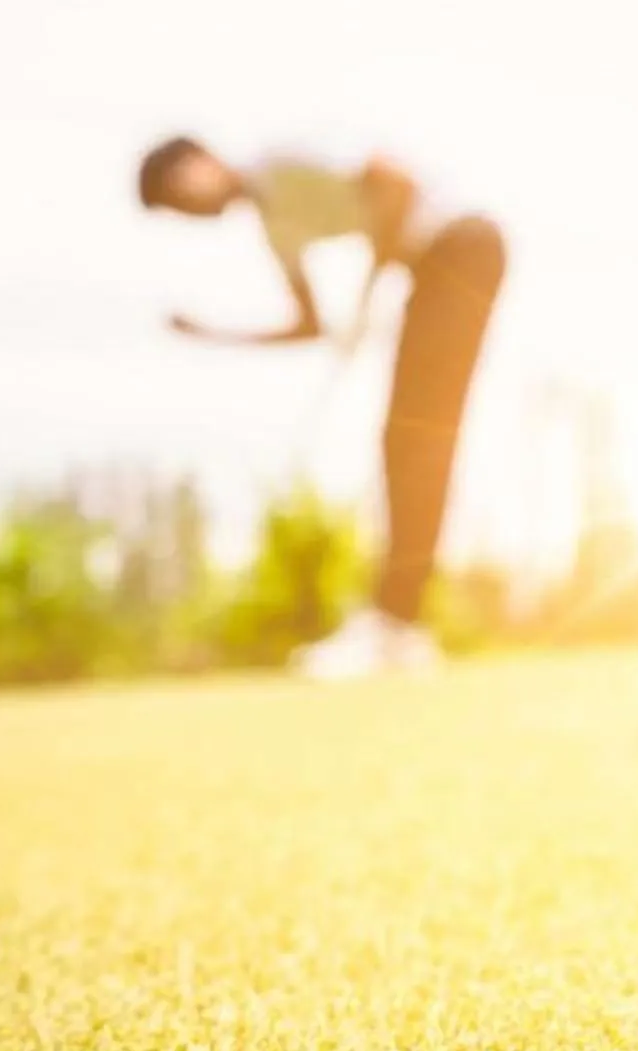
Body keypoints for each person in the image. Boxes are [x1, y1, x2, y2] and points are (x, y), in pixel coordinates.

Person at [137, 135, 507, 679]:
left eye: (179, 192)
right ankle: (400, 623)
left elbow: (395, 181)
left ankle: (397, 626)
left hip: (460, 244)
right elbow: (308, 326)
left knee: (418, 437)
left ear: (201, 161)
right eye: (177, 209)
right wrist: (214, 333)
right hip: (433, 265)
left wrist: (369, 288)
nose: (188, 210)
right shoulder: (274, 226)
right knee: (409, 438)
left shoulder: (281, 159)